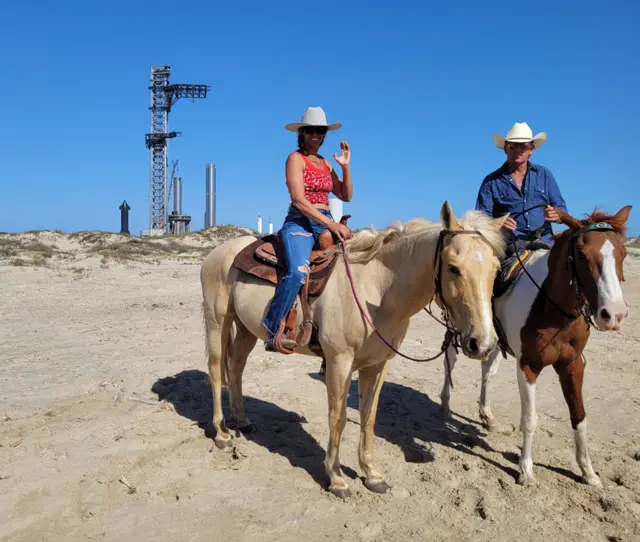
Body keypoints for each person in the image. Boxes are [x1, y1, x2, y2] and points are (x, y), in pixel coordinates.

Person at [262, 106, 353, 352]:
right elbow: (299, 200)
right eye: (310, 130)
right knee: (298, 271)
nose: (315, 135)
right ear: (301, 133)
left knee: (350, 267)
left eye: (320, 131)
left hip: (325, 220)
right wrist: (331, 223)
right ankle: (274, 328)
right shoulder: (295, 159)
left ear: (324, 134)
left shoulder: (326, 164)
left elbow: (346, 194)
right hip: (300, 222)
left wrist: (345, 166)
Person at [475, 122, 568, 252]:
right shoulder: (491, 181)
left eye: (523, 146)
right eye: (513, 146)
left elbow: (562, 209)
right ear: (505, 149)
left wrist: (557, 215)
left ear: (531, 150)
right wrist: (498, 223)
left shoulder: (544, 174)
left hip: (546, 244)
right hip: (509, 246)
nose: (518, 151)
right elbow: (480, 220)